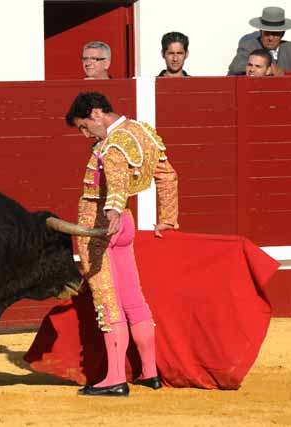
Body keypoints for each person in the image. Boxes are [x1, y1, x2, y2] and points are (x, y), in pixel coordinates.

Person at [64, 92, 179, 397]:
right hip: (124, 226)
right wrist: (166, 216)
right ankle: (149, 372)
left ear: (97, 112)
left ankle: (115, 378)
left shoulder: (113, 143)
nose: (86, 134)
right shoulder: (143, 132)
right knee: (133, 299)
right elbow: (168, 176)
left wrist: (112, 211)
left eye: (85, 127)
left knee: (107, 301)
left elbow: (115, 183)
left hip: (102, 226)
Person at [228, 7, 291, 76]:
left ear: (282, 34)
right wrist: (269, 68)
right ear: (261, 32)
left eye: (275, 34)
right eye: (267, 33)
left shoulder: (289, 48)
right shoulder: (249, 46)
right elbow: (236, 67)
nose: (270, 38)